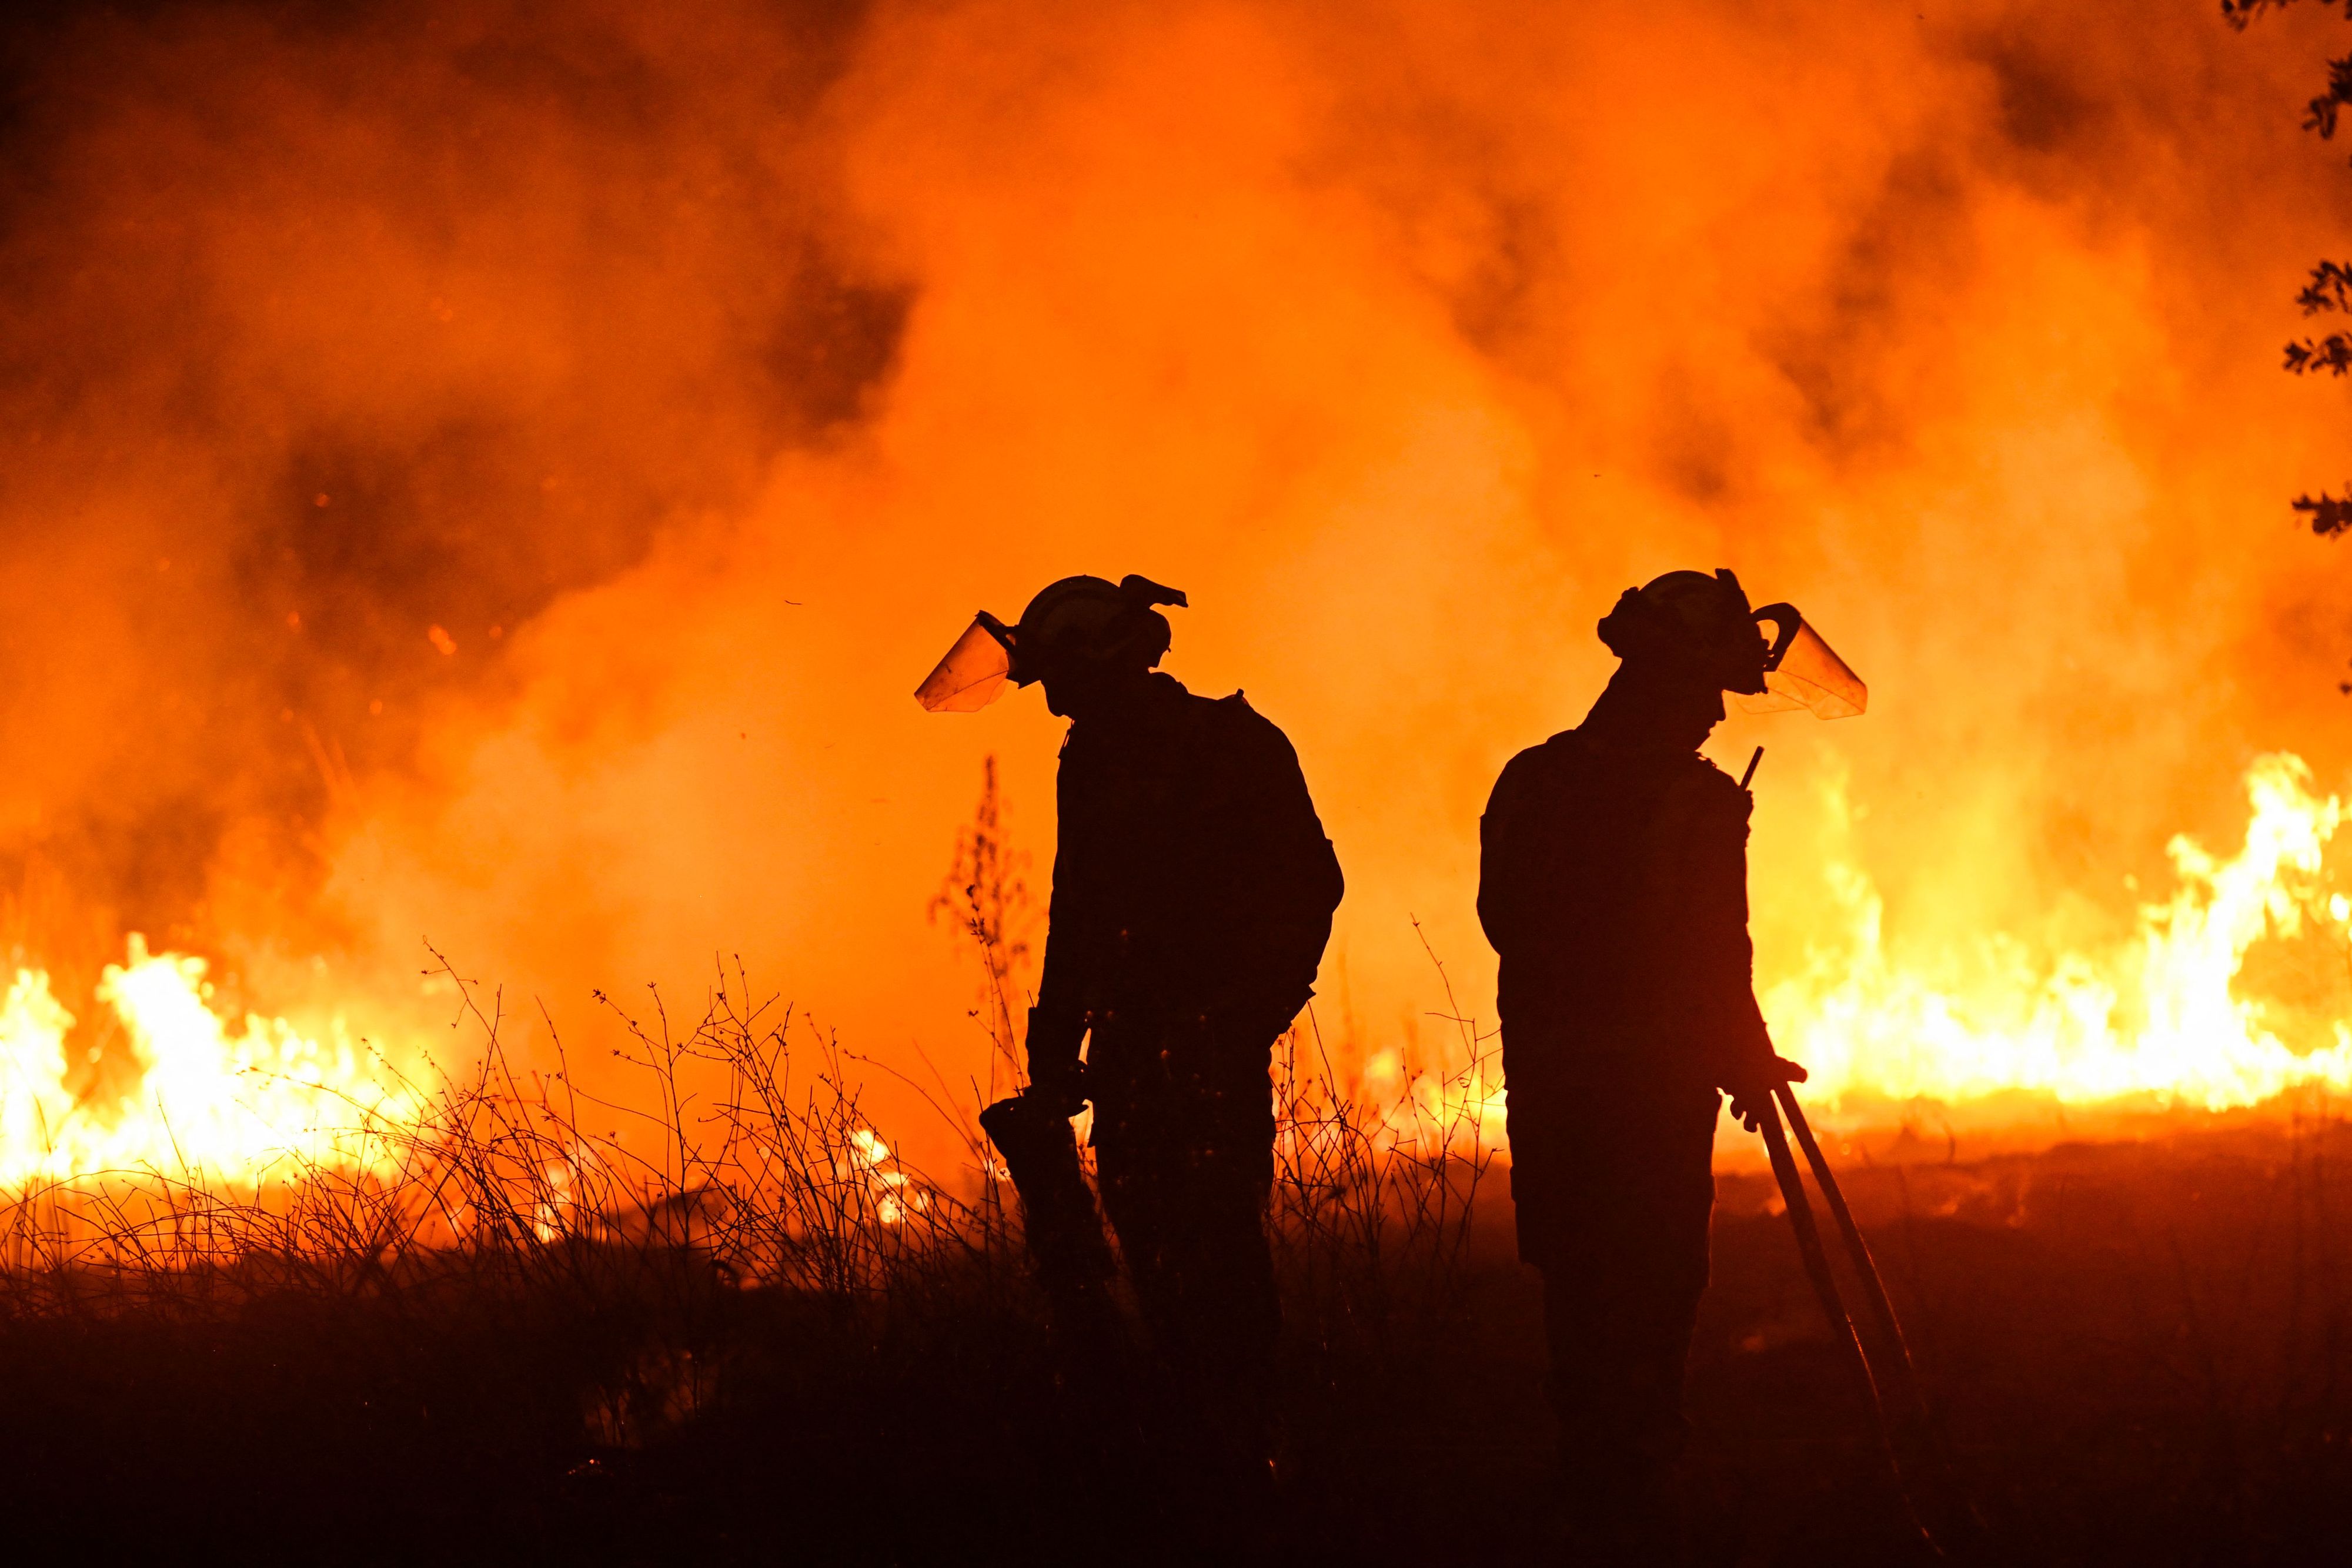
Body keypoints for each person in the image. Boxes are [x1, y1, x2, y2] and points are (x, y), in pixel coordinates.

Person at [916, 573, 1344, 1463]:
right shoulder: (1105, 753)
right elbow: (1082, 905)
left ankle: (1239, 1452)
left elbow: (1308, 886)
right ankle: (1203, 1441)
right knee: (1160, 1246)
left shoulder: (1221, 747)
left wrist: (1245, 1015)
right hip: (1139, 1051)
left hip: (1204, 1051)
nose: (1052, 704)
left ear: (1101, 663)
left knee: (1216, 1252)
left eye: (1059, 682)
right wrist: (1057, 1030)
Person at [1476, 568, 1814, 1549]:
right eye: (1708, 687)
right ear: (1664, 680)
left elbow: (1508, 925)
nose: (1717, 713)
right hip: (1652, 1098)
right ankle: (1640, 1494)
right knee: (1658, 1282)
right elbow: (1718, 952)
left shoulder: (1532, 779)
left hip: (1554, 1090)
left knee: (1578, 1286)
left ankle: (1591, 1482)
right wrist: (1742, 1055)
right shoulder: (1697, 803)